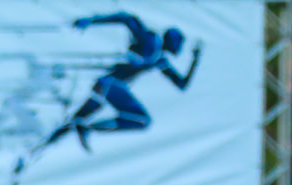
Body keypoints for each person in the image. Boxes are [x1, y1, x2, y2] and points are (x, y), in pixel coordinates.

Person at [43, 12, 202, 153]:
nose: (179, 48)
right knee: (142, 120)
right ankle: (88, 129)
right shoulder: (150, 39)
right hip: (111, 86)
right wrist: (91, 21)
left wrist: (195, 60)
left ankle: (43, 145)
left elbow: (181, 84)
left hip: (104, 86)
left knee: (75, 120)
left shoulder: (160, 60)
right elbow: (127, 18)